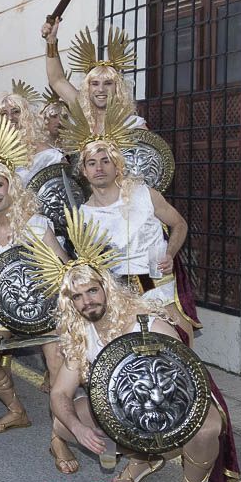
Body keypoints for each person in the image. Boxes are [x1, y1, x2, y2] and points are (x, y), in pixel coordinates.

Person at [24, 208, 238, 482]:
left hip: (168, 403)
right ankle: (144, 455)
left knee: (207, 426)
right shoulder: (80, 334)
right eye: (77, 297)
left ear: (106, 288)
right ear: (70, 303)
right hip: (121, 413)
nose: (87, 302)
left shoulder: (145, 320)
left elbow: (184, 376)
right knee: (63, 423)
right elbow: (59, 393)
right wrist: (79, 430)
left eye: (92, 291)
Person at [0, 118, 69, 435]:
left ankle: (59, 437)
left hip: (44, 309)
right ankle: (16, 410)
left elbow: (62, 268)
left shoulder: (36, 223)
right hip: (1, 307)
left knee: (57, 364)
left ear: (10, 186)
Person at [62, 101, 199, 339]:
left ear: (117, 166)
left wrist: (170, 252)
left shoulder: (144, 194)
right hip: (116, 291)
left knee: (176, 344)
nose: (99, 168)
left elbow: (180, 224)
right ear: (84, 171)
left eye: (106, 161)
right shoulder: (82, 215)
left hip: (153, 283)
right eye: (92, 163)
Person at [41, 19, 146, 133]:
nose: (101, 89)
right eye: (95, 83)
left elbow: (152, 151)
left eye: (108, 83)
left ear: (117, 87)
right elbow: (57, 80)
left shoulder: (132, 124)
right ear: (88, 88)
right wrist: (51, 41)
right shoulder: (82, 113)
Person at [0, 84, 65, 184]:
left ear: (26, 116)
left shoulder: (47, 155)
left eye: (16, 111)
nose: (10, 117)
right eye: (4, 114)